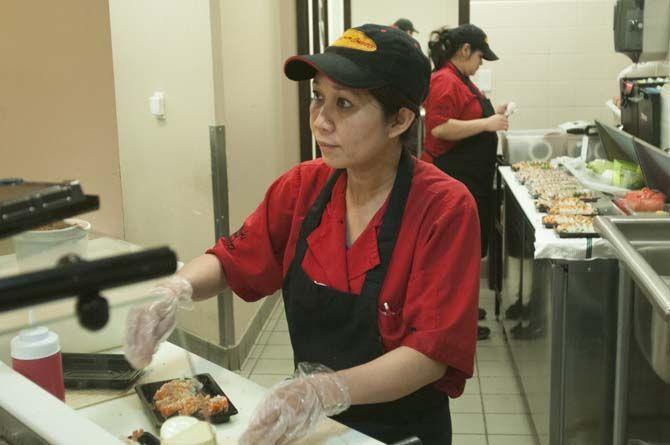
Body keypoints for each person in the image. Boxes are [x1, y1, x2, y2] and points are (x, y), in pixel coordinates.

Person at [124, 24, 480, 445]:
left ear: (399, 120)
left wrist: (321, 390)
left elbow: (430, 355)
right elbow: (232, 259)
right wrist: (175, 289)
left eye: (343, 104)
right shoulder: (302, 188)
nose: (320, 121)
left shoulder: (444, 208)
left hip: (402, 432)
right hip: (316, 428)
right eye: (317, 98)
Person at [422, 24, 507, 341]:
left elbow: (463, 117)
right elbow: (440, 129)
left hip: (470, 177)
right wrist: (487, 122)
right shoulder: (444, 80)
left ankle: (463, 311)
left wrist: (491, 115)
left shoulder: (461, 80)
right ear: (465, 51)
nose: (482, 63)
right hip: (453, 176)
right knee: (456, 253)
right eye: (481, 56)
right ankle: (454, 321)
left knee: (467, 249)